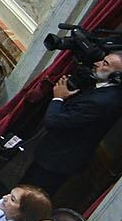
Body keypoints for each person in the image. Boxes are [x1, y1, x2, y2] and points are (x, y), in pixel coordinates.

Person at [28, 51, 122, 195]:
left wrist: (58, 98)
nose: (97, 64)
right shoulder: (105, 89)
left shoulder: (102, 101)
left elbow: (53, 121)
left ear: (117, 76)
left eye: (105, 64)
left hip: (57, 161)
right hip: (56, 154)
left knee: (28, 198)